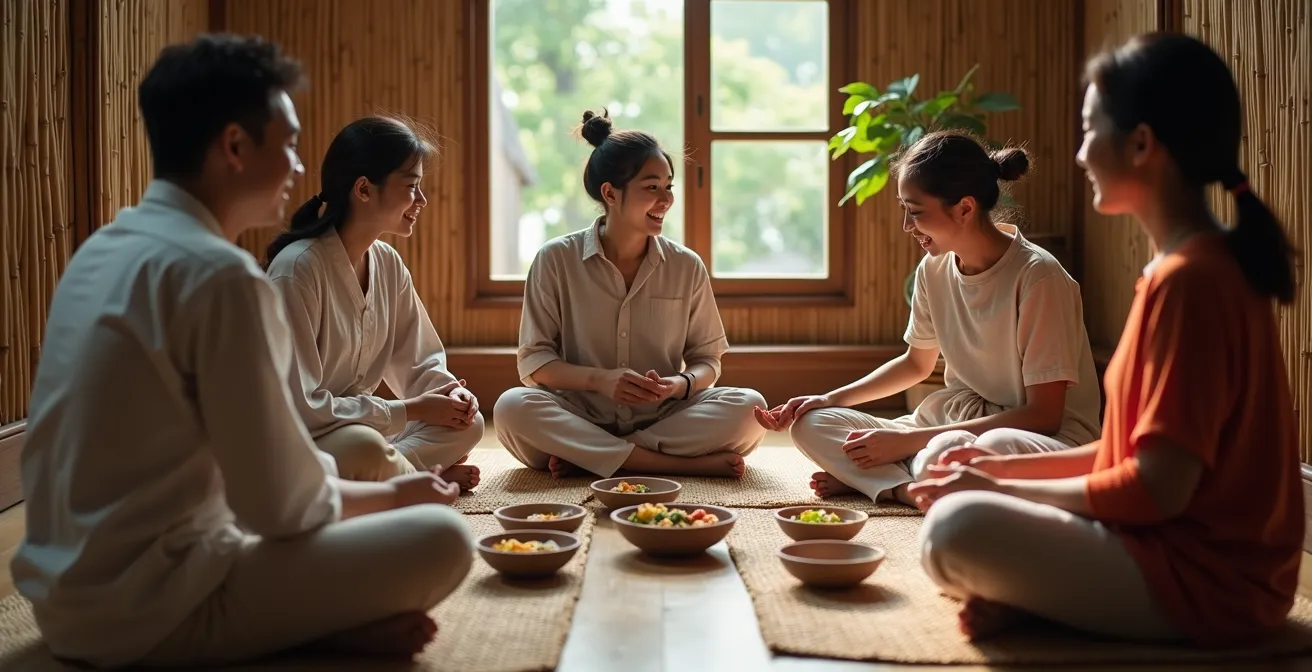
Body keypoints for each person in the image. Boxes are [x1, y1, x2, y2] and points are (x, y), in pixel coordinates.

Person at [11, 35, 473, 669]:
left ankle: (316, 621)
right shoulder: (223, 276)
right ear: (234, 146)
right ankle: (304, 632)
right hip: (154, 611)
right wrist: (400, 496)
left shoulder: (103, 248)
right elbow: (281, 506)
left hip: (65, 599)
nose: (297, 167)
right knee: (443, 538)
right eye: (285, 143)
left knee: (373, 474)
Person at [910, 32, 1304, 648]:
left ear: (1142, 144)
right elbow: (1124, 456)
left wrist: (999, 486)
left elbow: (1155, 489)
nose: (1081, 153)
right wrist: (990, 469)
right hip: (1158, 542)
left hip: (1214, 583)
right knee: (958, 467)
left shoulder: (1193, 283)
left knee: (954, 528)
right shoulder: (1178, 272)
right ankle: (1043, 601)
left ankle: (1044, 600)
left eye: (1091, 130)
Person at [757, 131, 1102, 506]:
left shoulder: (1039, 277)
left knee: (969, 449)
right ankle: (908, 488)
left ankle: (886, 478)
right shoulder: (933, 269)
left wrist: (907, 442)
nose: (907, 225)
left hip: (1035, 438)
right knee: (813, 425)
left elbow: (1044, 416)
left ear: (965, 209)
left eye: (916, 212)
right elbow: (915, 364)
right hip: (953, 421)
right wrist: (827, 399)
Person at [493, 108, 767, 480]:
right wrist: (599, 380)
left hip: (662, 419)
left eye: (669, 186)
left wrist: (679, 385)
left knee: (750, 408)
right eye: (652, 187)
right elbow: (534, 363)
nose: (666, 199)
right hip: (581, 414)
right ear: (611, 193)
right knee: (512, 407)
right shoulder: (555, 260)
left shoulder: (686, 266)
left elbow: (708, 360)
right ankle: (662, 464)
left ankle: (593, 457)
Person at [265, 117, 483, 488]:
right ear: (364, 189)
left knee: (470, 424)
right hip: (304, 439)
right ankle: (415, 479)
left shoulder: (387, 263)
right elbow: (300, 409)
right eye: (412, 187)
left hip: (360, 428)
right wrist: (410, 410)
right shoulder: (297, 271)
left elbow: (419, 362)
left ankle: (397, 476)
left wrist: (453, 395)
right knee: (363, 447)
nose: (422, 200)